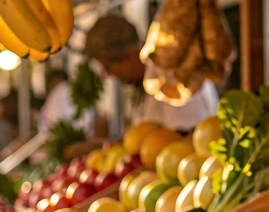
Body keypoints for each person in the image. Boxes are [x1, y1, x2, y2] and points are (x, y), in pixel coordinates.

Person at [83, 13, 218, 130]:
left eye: (108, 67)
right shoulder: (142, 85)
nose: (108, 75)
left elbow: (185, 137)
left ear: (129, 56)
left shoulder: (170, 79)